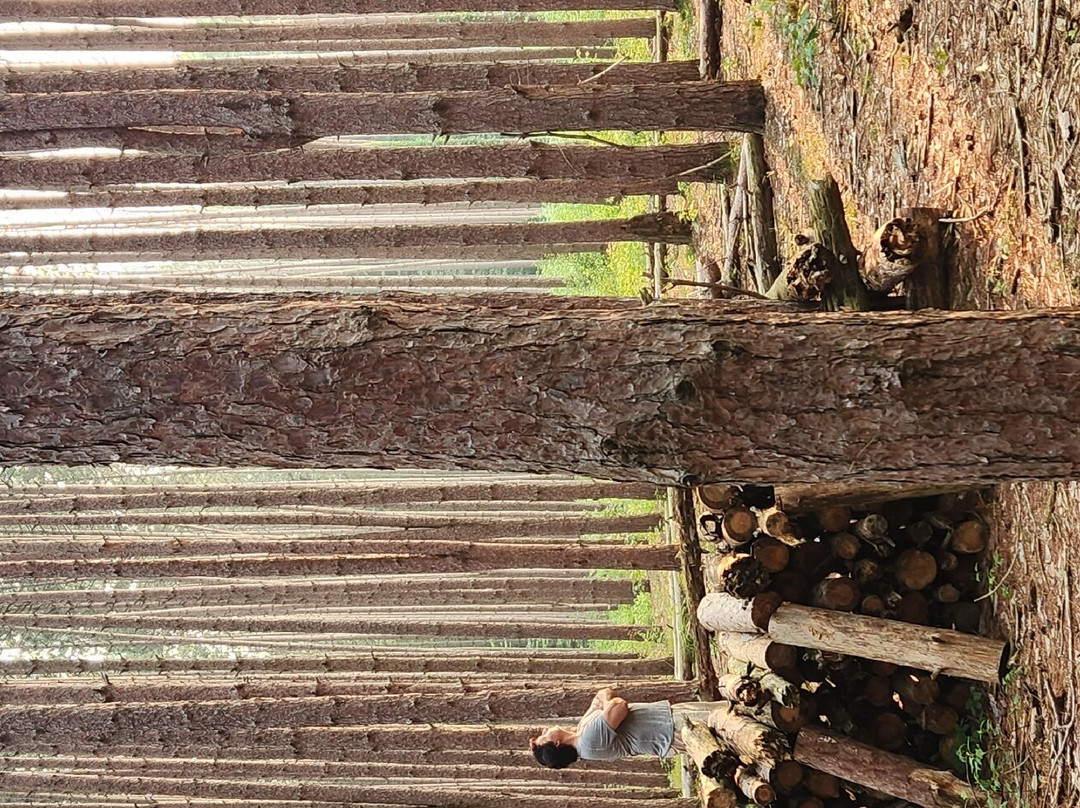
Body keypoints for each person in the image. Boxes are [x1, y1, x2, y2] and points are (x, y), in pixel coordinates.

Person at [530, 687, 726, 768]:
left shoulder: (582, 728)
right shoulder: (588, 741)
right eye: (544, 735)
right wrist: (609, 704)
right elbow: (619, 706)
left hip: (669, 719)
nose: (544, 729)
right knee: (730, 723)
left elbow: (603, 693)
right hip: (674, 731)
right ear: (556, 744)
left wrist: (608, 704)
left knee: (727, 712)